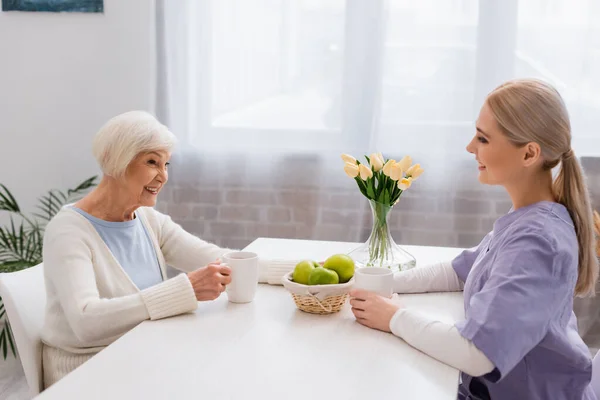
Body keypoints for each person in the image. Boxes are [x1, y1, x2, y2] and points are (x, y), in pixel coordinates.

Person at [349, 79, 599, 399]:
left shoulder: (538, 242)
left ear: (529, 154)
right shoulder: (526, 218)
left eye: (482, 138)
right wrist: (378, 283)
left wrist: (394, 317)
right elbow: (460, 270)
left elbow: (478, 354)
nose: (470, 147)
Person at [41, 111, 233, 388]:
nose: (163, 176)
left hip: (144, 355)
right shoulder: (68, 231)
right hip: (87, 373)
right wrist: (184, 289)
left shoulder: (147, 219)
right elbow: (86, 322)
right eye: (152, 162)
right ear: (117, 161)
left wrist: (301, 270)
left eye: (167, 164)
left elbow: (219, 258)